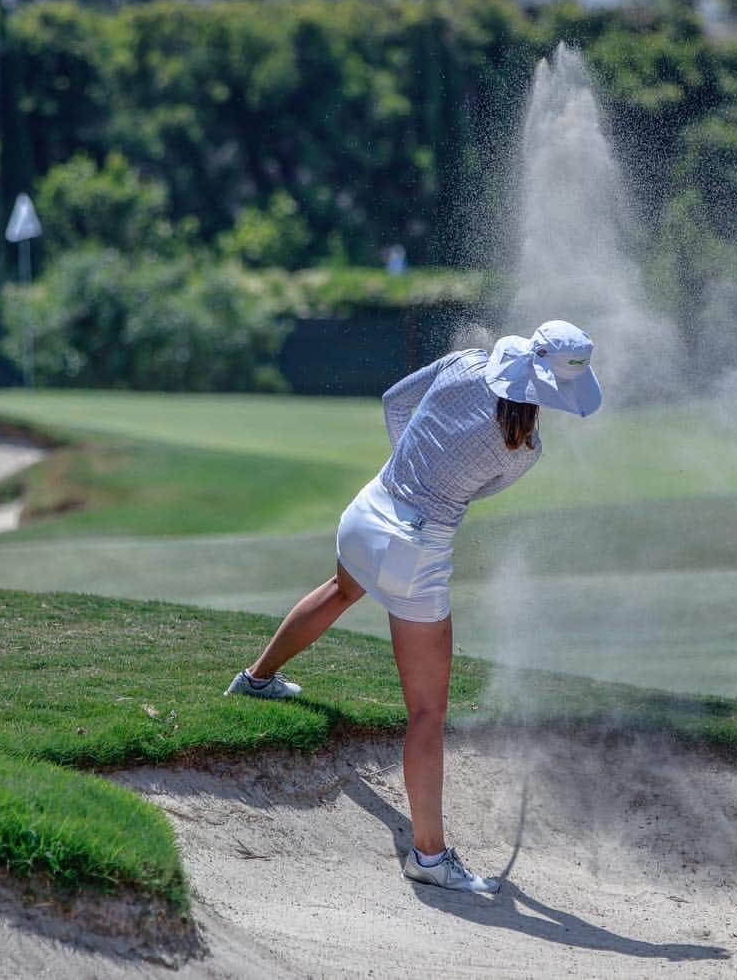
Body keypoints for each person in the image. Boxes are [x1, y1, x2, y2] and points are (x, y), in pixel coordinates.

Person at [225, 319, 602, 893]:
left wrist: (411, 465)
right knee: (427, 713)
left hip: (368, 509)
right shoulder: (524, 447)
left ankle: (255, 679)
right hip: (416, 548)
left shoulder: (467, 363)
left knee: (340, 589)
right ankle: (428, 857)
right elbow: (472, 492)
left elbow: (395, 401)